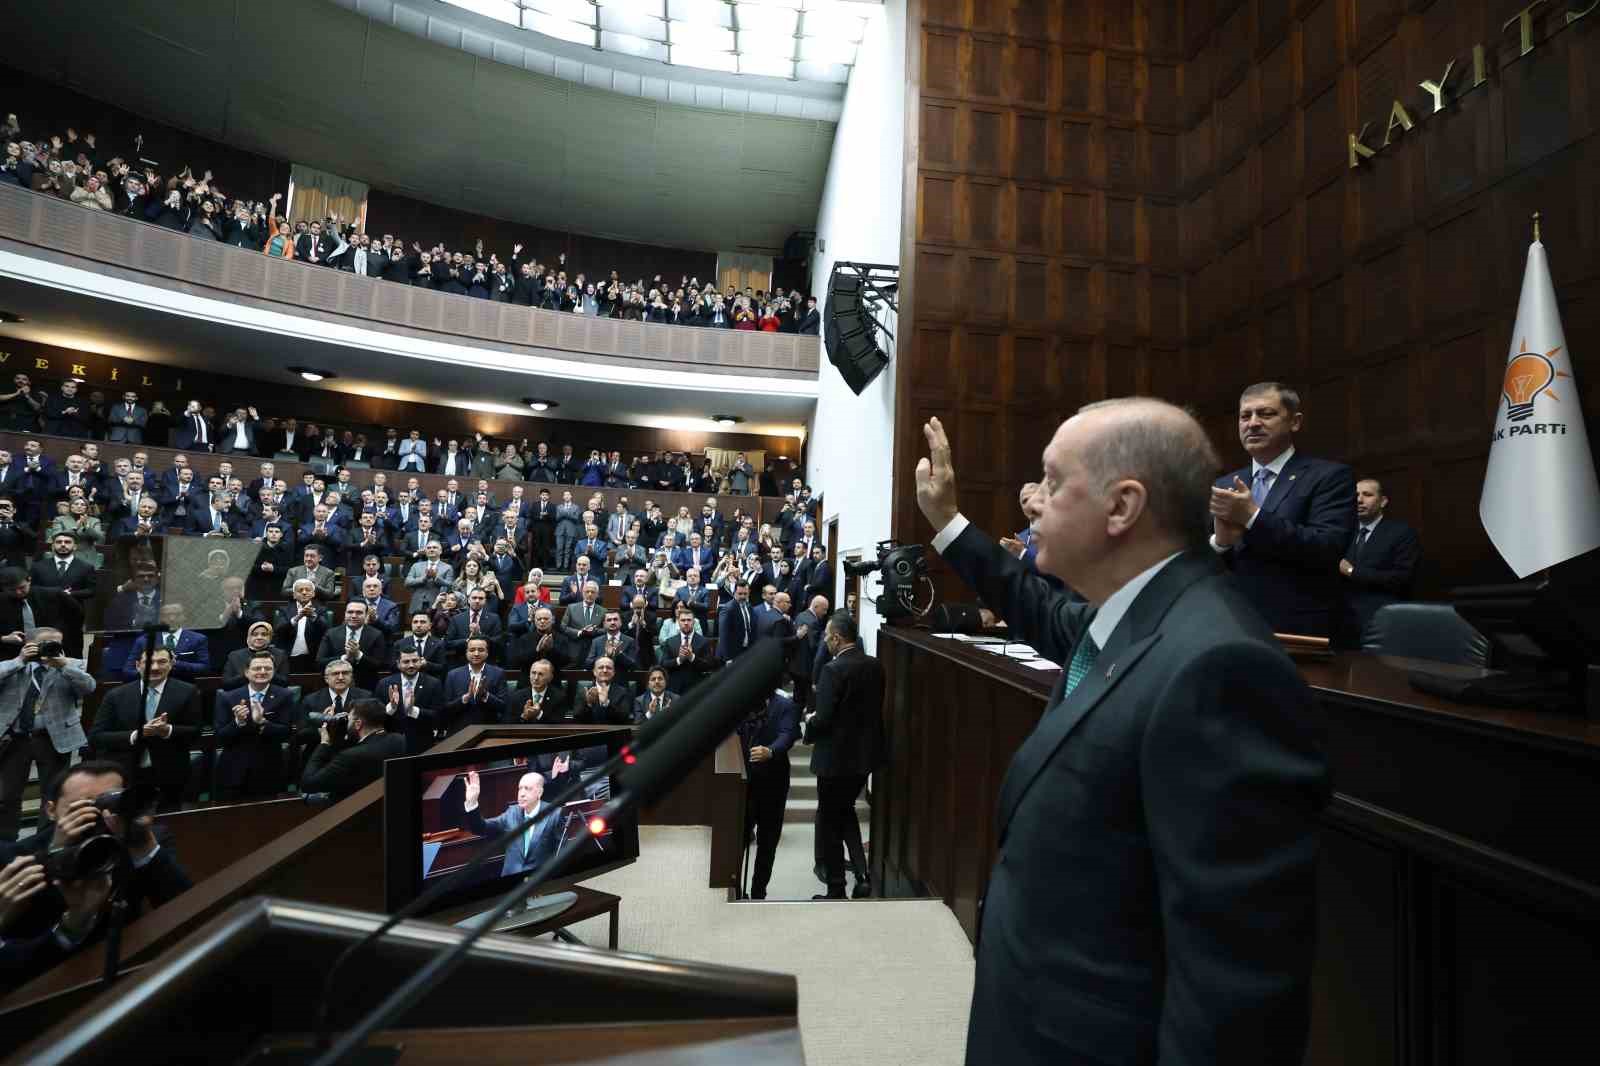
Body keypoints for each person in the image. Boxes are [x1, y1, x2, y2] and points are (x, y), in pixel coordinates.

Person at [916, 405, 1329, 1065]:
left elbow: (1234, 995)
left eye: (1053, 483)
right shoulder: (1136, 613)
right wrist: (948, 522)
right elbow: (1039, 609)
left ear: (1121, 507)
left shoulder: (1220, 668)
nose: (1035, 503)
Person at [0, 760, 191, 991]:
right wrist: (56, 856)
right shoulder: (14, 857)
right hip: (45, 985)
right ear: (51, 810)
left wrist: (143, 846)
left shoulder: (142, 839)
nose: (100, 815)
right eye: (80, 807)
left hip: (125, 974)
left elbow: (187, 916)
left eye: (111, 802)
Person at [1210, 382, 1356, 637]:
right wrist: (1220, 544)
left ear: (1295, 422)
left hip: (1301, 628)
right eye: (1245, 416)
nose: (1253, 423)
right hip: (1234, 624)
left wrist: (1253, 517)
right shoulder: (1224, 484)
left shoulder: (1329, 477)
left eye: (1266, 414)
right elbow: (1201, 565)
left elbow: (1327, 547)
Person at [800, 612, 881, 900]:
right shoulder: (875, 666)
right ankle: (862, 874)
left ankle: (836, 887)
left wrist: (808, 722)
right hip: (862, 759)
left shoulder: (832, 671)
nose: (825, 642)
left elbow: (824, 718)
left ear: (836, 638)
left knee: (832, 821)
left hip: (834, 761)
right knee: (846, 813)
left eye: (826, 638)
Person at [0, 628, 97, 841]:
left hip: (54, 738)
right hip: (16, 739)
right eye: (46, 643)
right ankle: (6, 841)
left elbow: (89, 687)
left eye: (56, 642)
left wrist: (63, 666)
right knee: (8, 795)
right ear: (30, 643)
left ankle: (44, 841)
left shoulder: (72, 665)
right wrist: (19, 660)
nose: (52, 646)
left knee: (52, 794)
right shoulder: (15, 665)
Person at [90, 647, 202, 810]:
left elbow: (196, 731)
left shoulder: (187, 691)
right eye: (149, 662)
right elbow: (96, 737)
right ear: (137, 665)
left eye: (162, 662)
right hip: (127, 773)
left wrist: (168, 730)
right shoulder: (116, 695)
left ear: (171, 665)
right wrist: (136, 735)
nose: (155, 667)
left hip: (170, 774)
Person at [1337, 478, 1422, 647]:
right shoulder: (1342, 532)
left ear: (1383, 501)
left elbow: (1401, 579)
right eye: (1356, 496)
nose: (1359, 500)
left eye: (1367, 495)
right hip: (1341, 621)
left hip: (1381, 621)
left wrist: (1352, 572)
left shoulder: (1401, 533)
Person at [740, 687, 800, 900]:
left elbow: (787, 735)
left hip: (773, 783)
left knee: (767, 842)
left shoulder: (785, 705)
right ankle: (734, 888)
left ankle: (758, 892)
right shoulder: (739, 702)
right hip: (741, 783)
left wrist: (771, 751)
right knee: (737, 839)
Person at [213, 653, 298, 801]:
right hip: (233, 768)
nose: (263, 672)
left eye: (268, 668)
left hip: (268, 768)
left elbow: (286, 732)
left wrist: (263, 722)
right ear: (247, 672)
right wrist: (238, 722)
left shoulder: (285, 695)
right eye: (257, 668)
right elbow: (220, 736)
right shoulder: (227, 697)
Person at [299, 698, 407, 802]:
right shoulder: (399, 740)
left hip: (351, 811)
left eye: (349, 719)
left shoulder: (350, 756)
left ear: (358, 724)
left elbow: (308, 784)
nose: (347, 722)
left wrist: (324, 743)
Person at [461, 769, 559, 876]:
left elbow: (561, 853)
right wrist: (472, 802)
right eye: (520, 788)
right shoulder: (511, 813)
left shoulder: (554, 814)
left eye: (527, 789)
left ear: (539, 792)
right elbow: (480, 828)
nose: (522, 794)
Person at [378, 649, 447, 752]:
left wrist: (413, 710)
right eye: (406, 662)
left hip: (422, 744)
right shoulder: (385, 684)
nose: (411, 665)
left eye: (415, 661)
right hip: (391, 744)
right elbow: (375, 717)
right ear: (398, 664)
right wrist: (391, 708)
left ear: (420, 661)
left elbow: (439, 716)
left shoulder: (434, 684)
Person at [222, 620, 288, 687]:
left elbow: (284, 682)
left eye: (264, 634)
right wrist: (248, 674)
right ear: (249, 637)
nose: (259, 637)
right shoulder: (235, 655)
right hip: (242, 694)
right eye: (254, 634)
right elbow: (226, 684)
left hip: (272, 694)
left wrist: (267, 673)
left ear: (270, 637)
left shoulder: (280, 654)